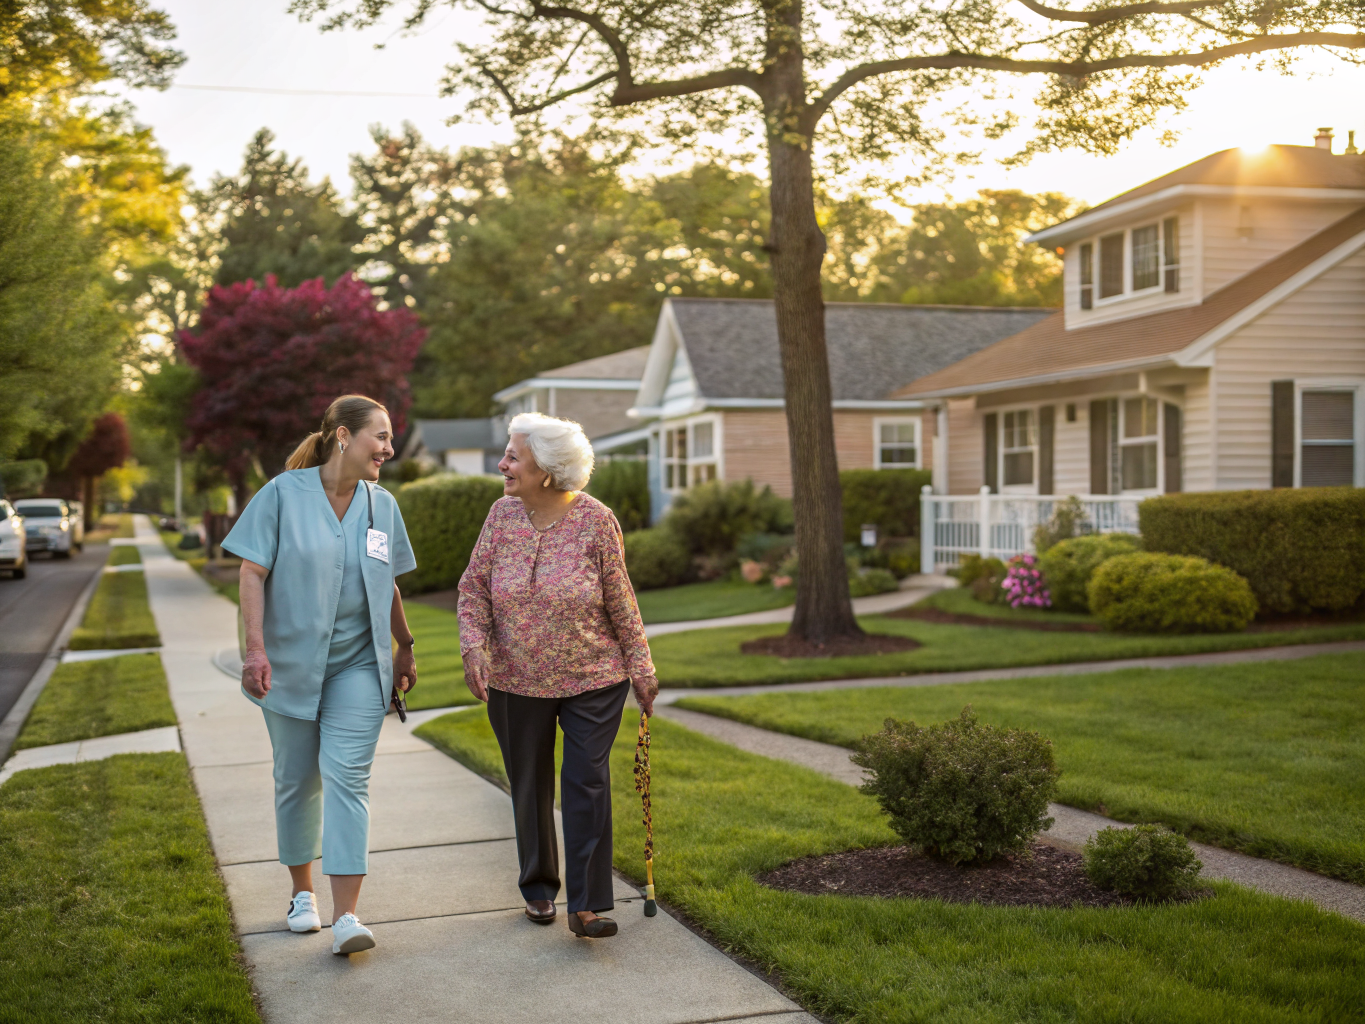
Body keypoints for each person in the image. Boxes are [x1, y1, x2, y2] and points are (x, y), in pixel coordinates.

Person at [224, 394, 418, 956]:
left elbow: (389, 587)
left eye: (389, 438)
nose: (388, 447)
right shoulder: (283, 495)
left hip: (359, 664)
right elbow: (251, 572)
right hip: (287, 664)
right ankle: (301, 894)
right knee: (297, 779)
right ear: (342, 436)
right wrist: (254, 650)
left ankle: (347, 917)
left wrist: (404, 645)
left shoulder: (383, 507)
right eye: (379, 436)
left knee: (348, 780)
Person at [459, 412, 658, 939]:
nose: (502, 463)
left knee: (586, 781)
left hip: (593, 676)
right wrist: (473, 648)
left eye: (513, 456)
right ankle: (540, 888)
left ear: (546, 469)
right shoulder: (501, 517)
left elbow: (621, 599)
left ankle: (588, 905)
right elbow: (474, 589)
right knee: (529, 785)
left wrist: (641, 665)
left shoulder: (596, 520)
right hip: (515, 678)